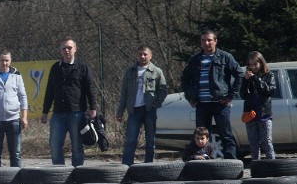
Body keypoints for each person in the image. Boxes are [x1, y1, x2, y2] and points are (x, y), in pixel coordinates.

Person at [180, 29, 244, 159]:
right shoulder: (195, 60)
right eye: (203, 40)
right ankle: (201, 162)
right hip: (201, 104)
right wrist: (190, 97)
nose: (206, 43)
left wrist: (231, 95)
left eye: (209, 40)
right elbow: (185, 79)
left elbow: (239, 75)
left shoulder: (225, 57)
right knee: (201, 136)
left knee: (226, 135)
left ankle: (231, 164)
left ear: (215, 41)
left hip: (220, 103)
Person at [39, 37, 98, 167]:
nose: (66, 50)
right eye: (64, 48)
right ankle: (59, 175)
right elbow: (50, 91)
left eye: (69, 48)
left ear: (75, 49)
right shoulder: (55, 68)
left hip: (77, 113)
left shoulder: (83, 67)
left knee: (77, 147)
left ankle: (77, 175)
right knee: (55, 146)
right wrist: (44, 111)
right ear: (60, 50)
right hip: (58, 115)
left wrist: (93, 107)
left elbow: (90, 88)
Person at [116, 45, 168, 165]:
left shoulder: (157, 71)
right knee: (131, 140)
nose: (142, 56)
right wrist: (120, 111)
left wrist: (156, 104)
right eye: (140, 54)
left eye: (145, 54)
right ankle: (126, 166)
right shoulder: (130, 71)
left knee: (150, 140)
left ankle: (148, 165)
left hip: (149, 110)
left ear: (150, 55)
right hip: (134, 111)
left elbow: (163, 90)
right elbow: (124, 93)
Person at [0, 49, 28, 167]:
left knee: (15, 152)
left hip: (13, 119)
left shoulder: (16, 75)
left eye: (7, 60)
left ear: (10, 61)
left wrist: (24, 117)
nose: (4, 63)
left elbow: (22, 96)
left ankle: (17, 180)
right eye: (2, 60)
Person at [241, 51, 276, 161]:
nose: (253, 67)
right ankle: (256, 165)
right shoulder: (247, 77)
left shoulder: (269, 75)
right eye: (250, 65)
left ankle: (272, 164)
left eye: (255, 64)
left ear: (261, 63)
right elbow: (242, 94)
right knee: (253, 142)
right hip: (250, 113)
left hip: (264, 113)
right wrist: (245, 81)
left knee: (266, 141)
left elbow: (269, 91)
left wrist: (256, 79)